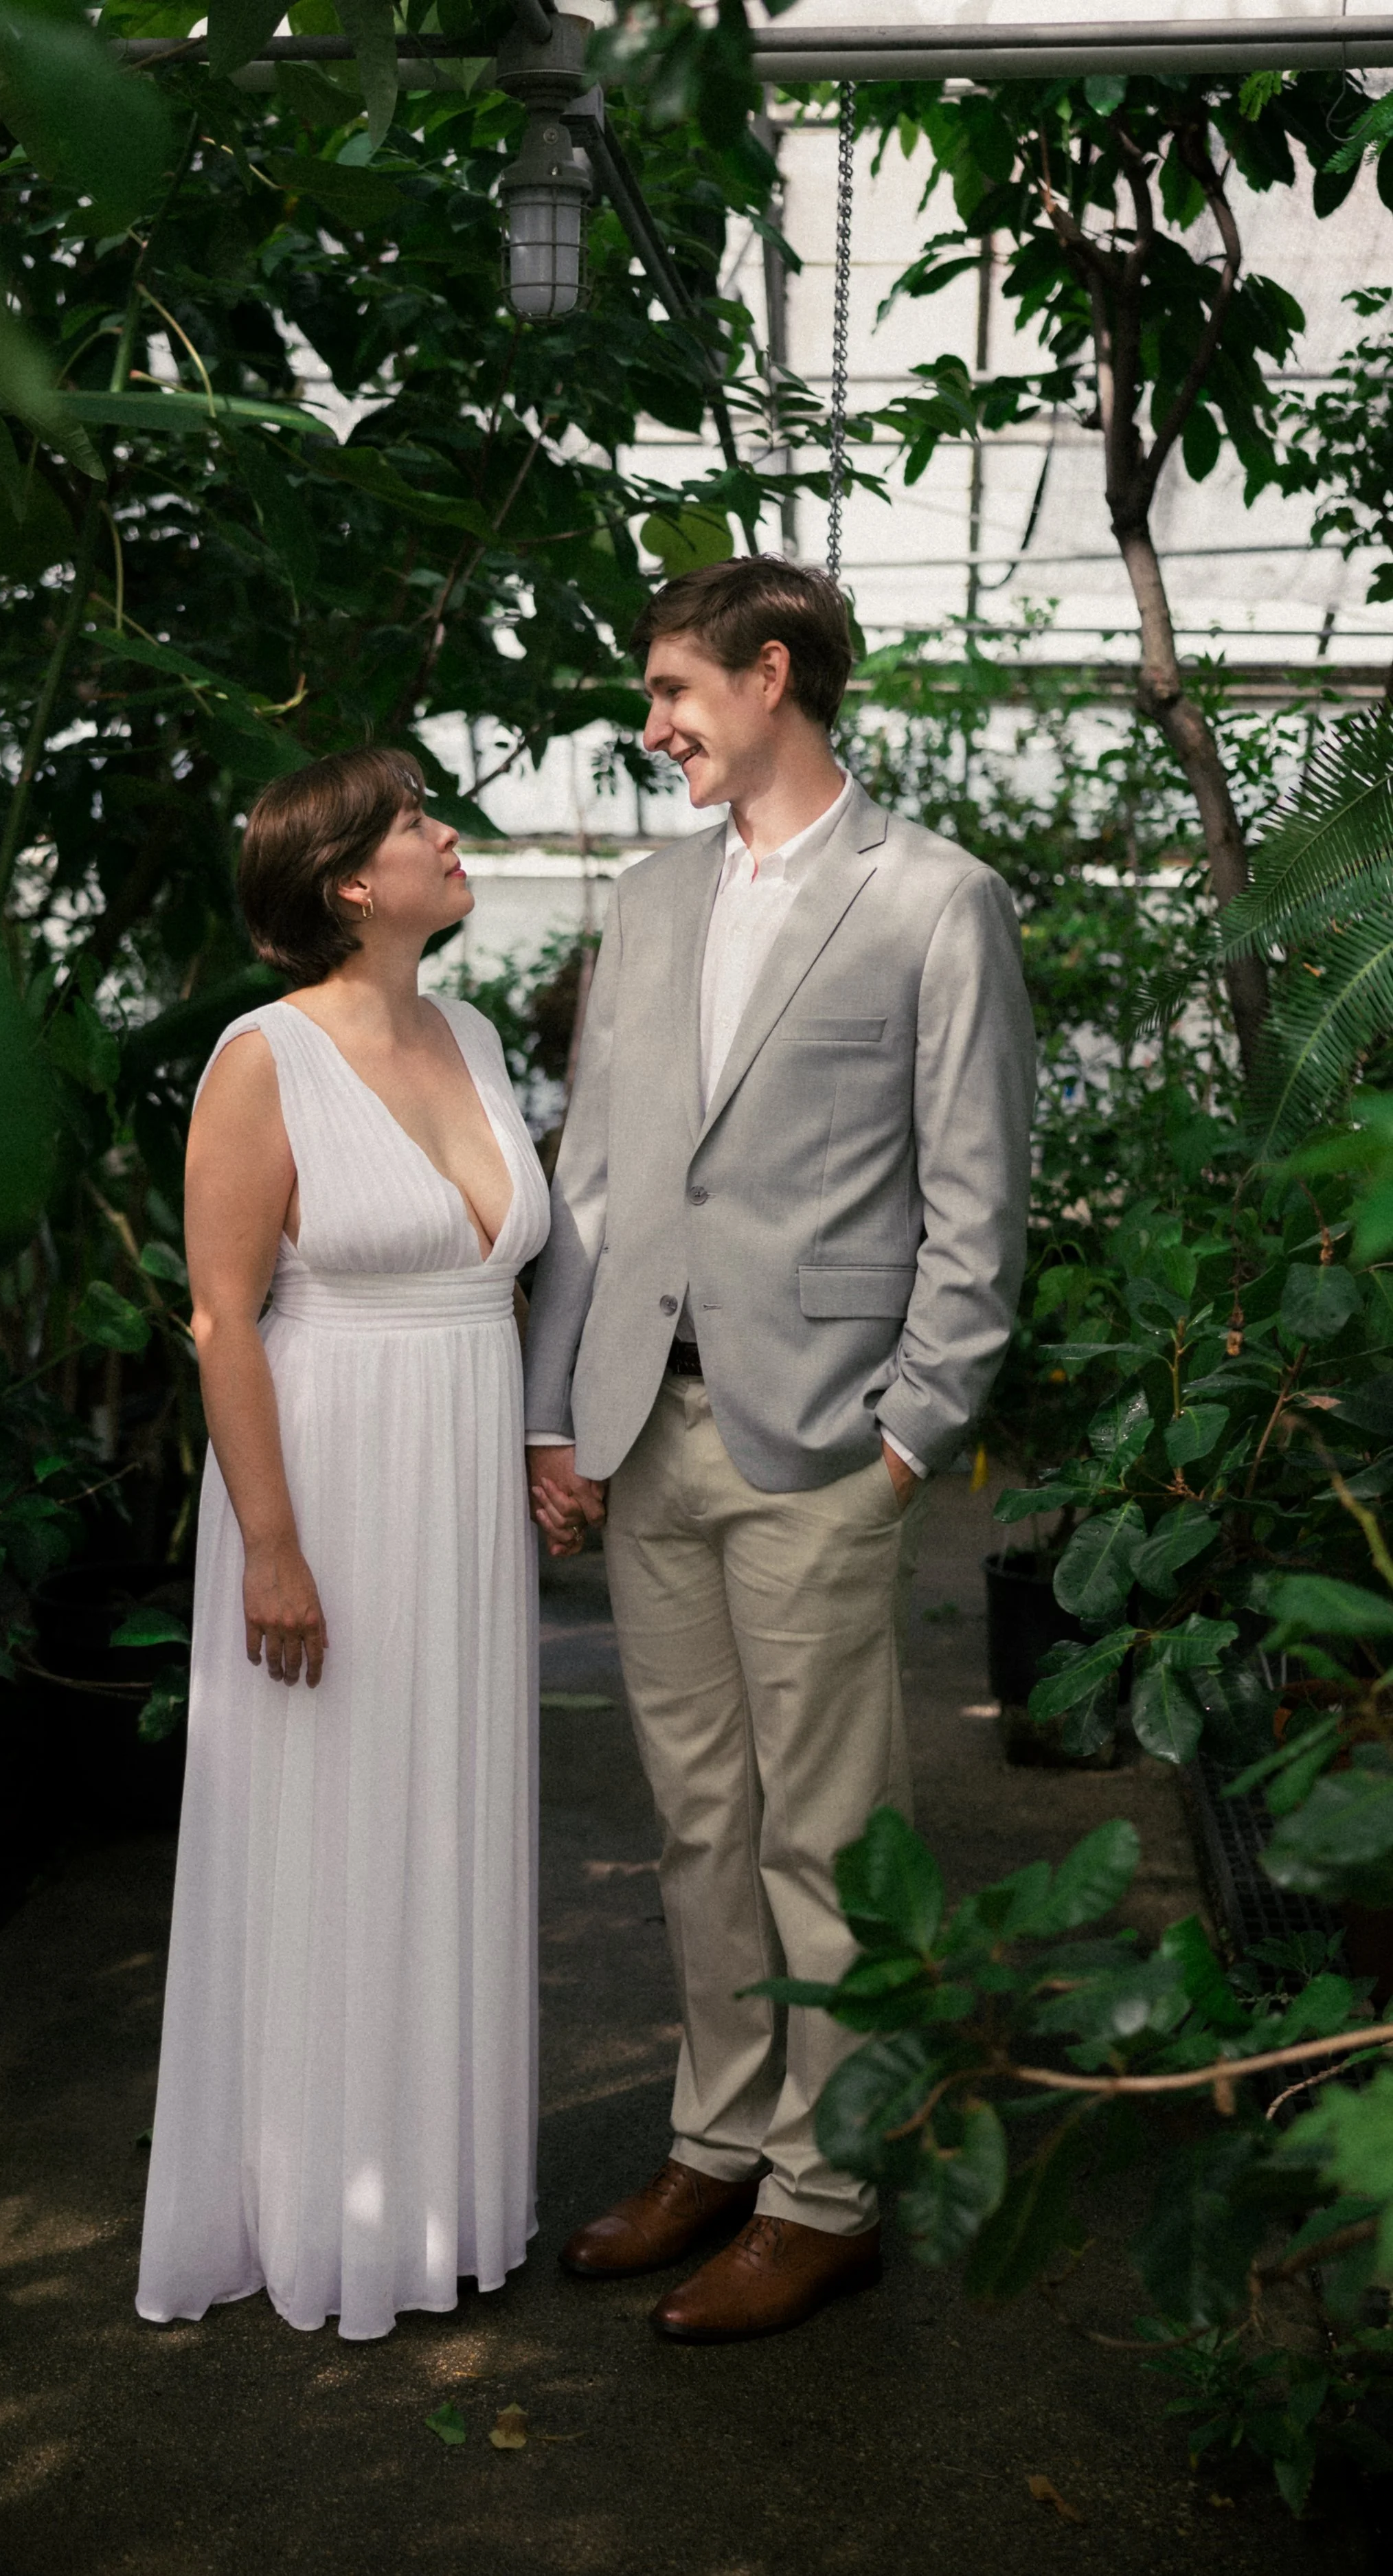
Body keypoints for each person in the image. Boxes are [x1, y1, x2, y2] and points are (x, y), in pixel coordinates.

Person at [524, 556, 1035, 2343]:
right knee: (693, 1822)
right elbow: (593, 1166)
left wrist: (905, 1438)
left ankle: (829, 2191)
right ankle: (717, 2137)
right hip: (640, 1431)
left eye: (672, 690)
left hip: (822, 1443)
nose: (651, 724)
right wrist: (548, 1406)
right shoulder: (651, 891)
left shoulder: (934, 900)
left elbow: (976, 1211)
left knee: (826, 1832)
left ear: (768, 676)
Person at [137, 747, 549, 2343]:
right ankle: (316, 2210)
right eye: (416, 824)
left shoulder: (478, 1034)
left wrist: (531, 1447)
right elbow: (221, 1316)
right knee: (332, 1823)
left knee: (443, 1816)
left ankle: (436, 2196)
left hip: (457, 1485)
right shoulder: (261, 1058)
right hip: (323, 1476)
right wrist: (271, 1548)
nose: (450, 838)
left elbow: (496, 1278)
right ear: (347, 885)